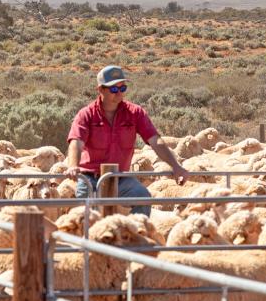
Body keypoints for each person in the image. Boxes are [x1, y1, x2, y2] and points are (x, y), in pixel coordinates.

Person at [65, 65, 189, 215]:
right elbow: (76, 143)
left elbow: (155, 141)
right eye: (114, 89)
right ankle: (85, 237)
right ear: (101, 89)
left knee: (143, 198)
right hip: (91, 178)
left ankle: (135, 235)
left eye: (122, 88)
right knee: (82, 214)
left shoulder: (135, 113)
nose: (119, 93)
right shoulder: (86, 114)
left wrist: (176, 166)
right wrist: (72, 166)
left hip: (121, 178)